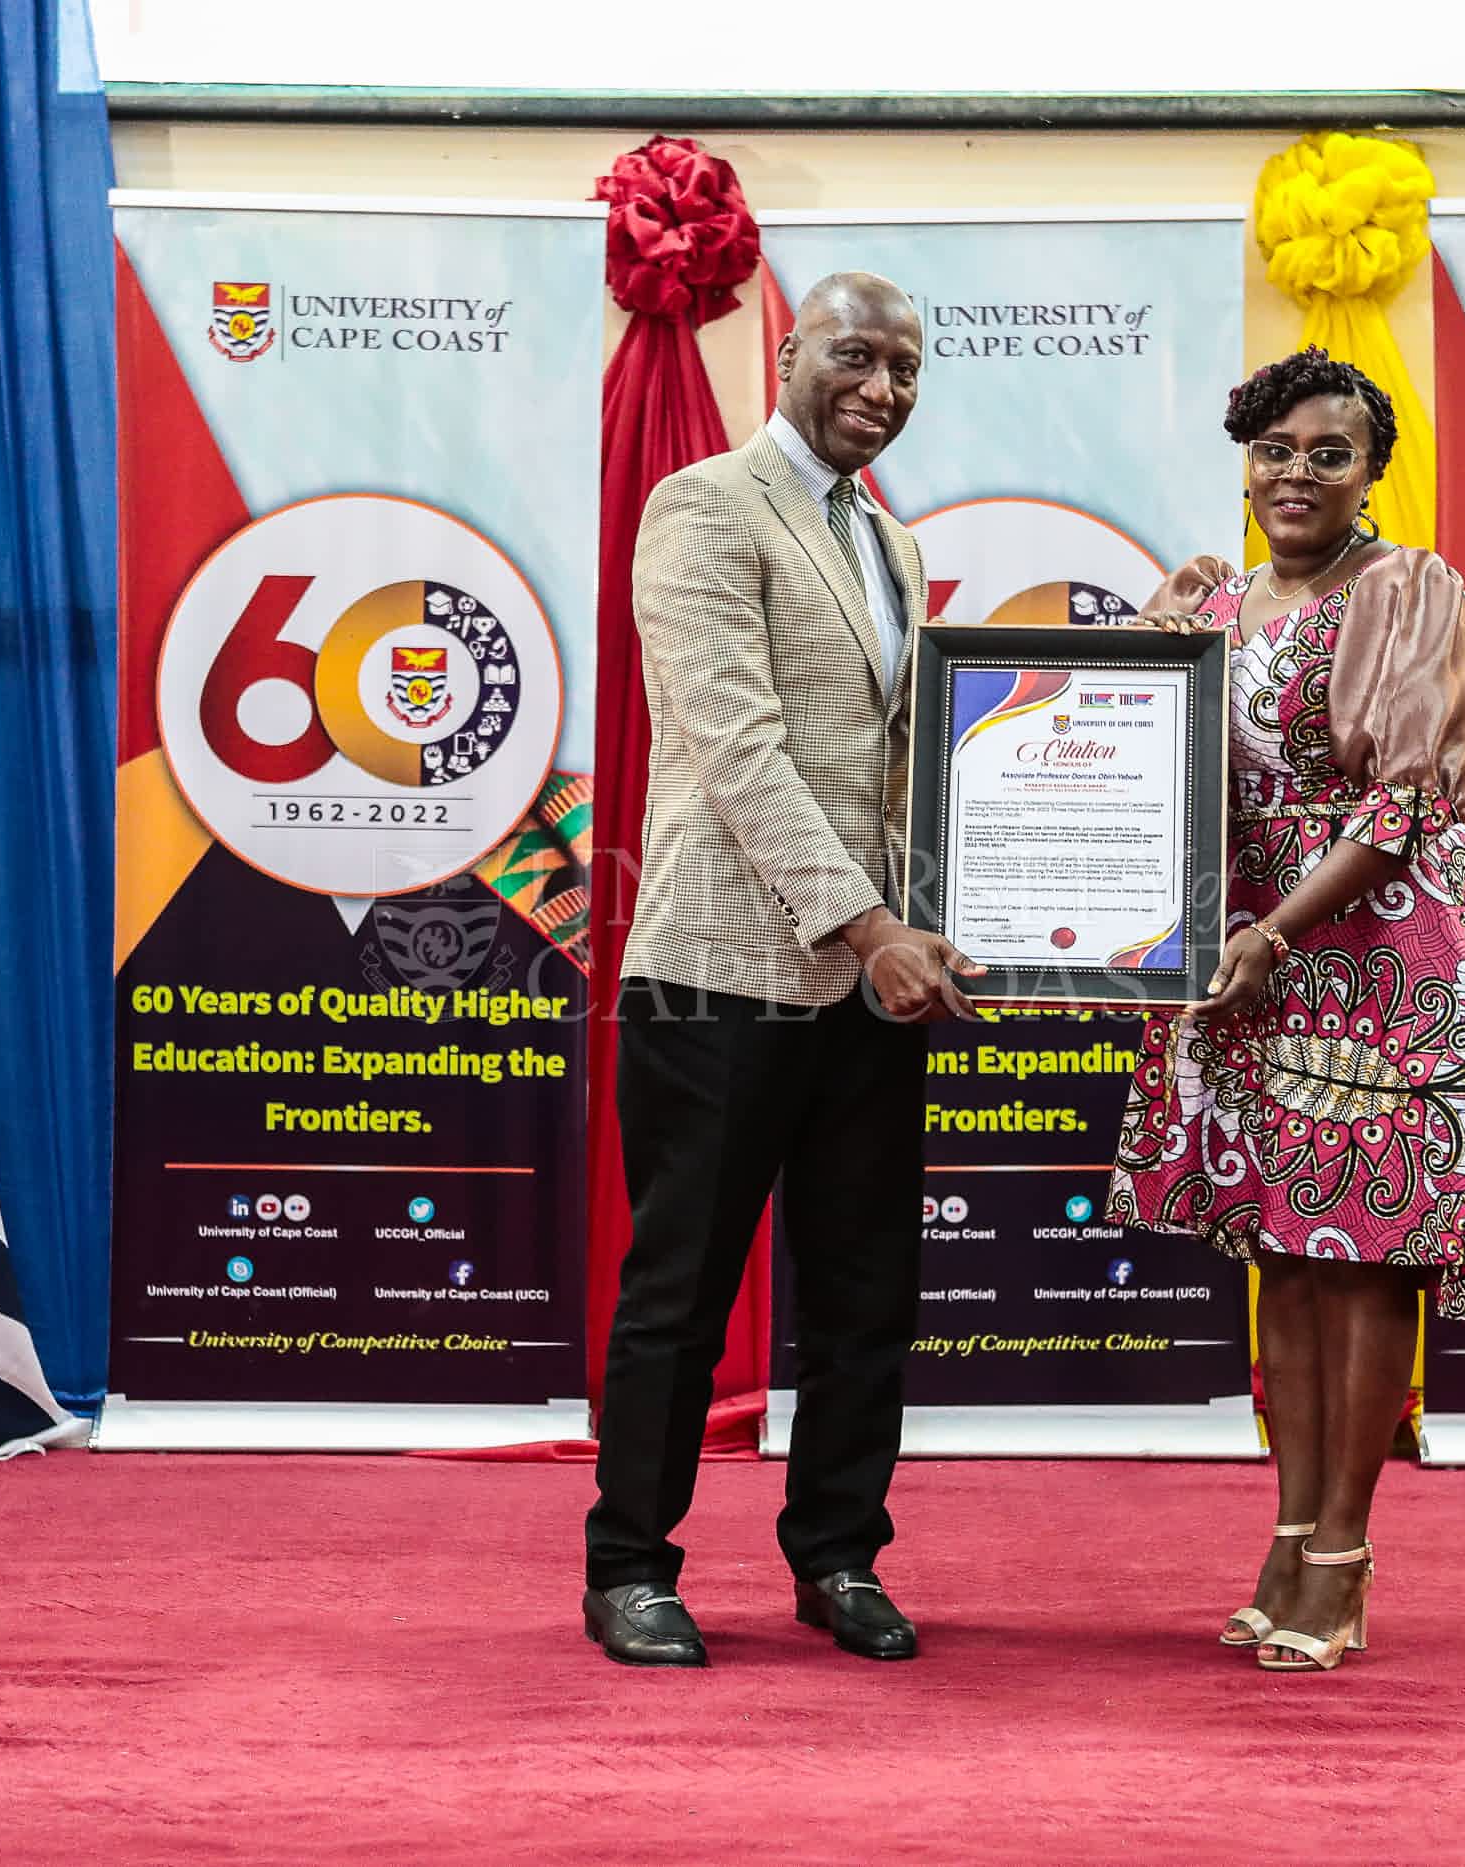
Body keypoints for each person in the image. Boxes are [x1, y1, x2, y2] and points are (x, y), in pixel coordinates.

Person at [1109, 348, 1465, 1674]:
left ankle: (1346, 1553)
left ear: (1372, 472)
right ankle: (1290, 1531)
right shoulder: (1216, 602)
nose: (1296, 474)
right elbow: (1125, 755)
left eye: (1329, 452)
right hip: (1243, 949)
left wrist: (1275, 930)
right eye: (1274, 449)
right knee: (1286, 1257)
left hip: (1382, 946)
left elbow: (1410, 802)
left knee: (1367, 1256)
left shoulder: (1408, 591)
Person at [582, 272, 981, 1667]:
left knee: (868, 1294)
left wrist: (954, 910)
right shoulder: (703, 506)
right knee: (680, 1296)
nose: (882, 386)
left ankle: (840, 1561)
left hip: (873, 986)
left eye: (908, 367)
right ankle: (631, 1567)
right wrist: (874, 928)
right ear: (790, 355)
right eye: (857, 356)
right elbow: (741, 751)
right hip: (720, 973)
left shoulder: (892, 541)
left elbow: (907, 766)